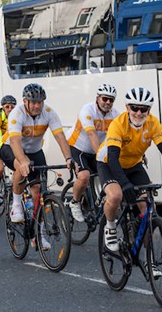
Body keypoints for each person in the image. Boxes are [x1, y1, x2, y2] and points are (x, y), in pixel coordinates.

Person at [96, 87, 162, 254]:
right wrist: (125, 184)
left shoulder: (153, 123)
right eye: (135, 108)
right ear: (127, 107)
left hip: (133, 165)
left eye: (144, 109)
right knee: (116, 195)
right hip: (109, 164)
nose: (139, 113)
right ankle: (111, 226)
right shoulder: (118, 124)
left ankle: (150, 258)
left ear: (149, 110)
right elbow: (112, 158)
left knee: (148, 207)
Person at [1, 83, 73, 249]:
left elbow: (60, 136)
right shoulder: (17, 113)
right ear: (25, 102)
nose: (36, 105)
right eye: (33, 102)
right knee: (21, 165)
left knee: (38, 194)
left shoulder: (48, 113)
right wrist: (23, 160)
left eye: (40, 102)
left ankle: (38, 236)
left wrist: (68, 158)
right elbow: (14, 141)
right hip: (11, 148)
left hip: (35, 151)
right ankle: (16, 205)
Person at [66, 84, 120, 222]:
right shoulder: (87, 110)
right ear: (97, 98)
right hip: (79, 148)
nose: (107, 103)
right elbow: (91, 134)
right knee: (84, 176)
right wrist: (102, 158)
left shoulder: (115, 114)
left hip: (98, 150)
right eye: (105, 99)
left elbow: (121, 136)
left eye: (111, 100)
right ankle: (75, 202)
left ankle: (97, 203)